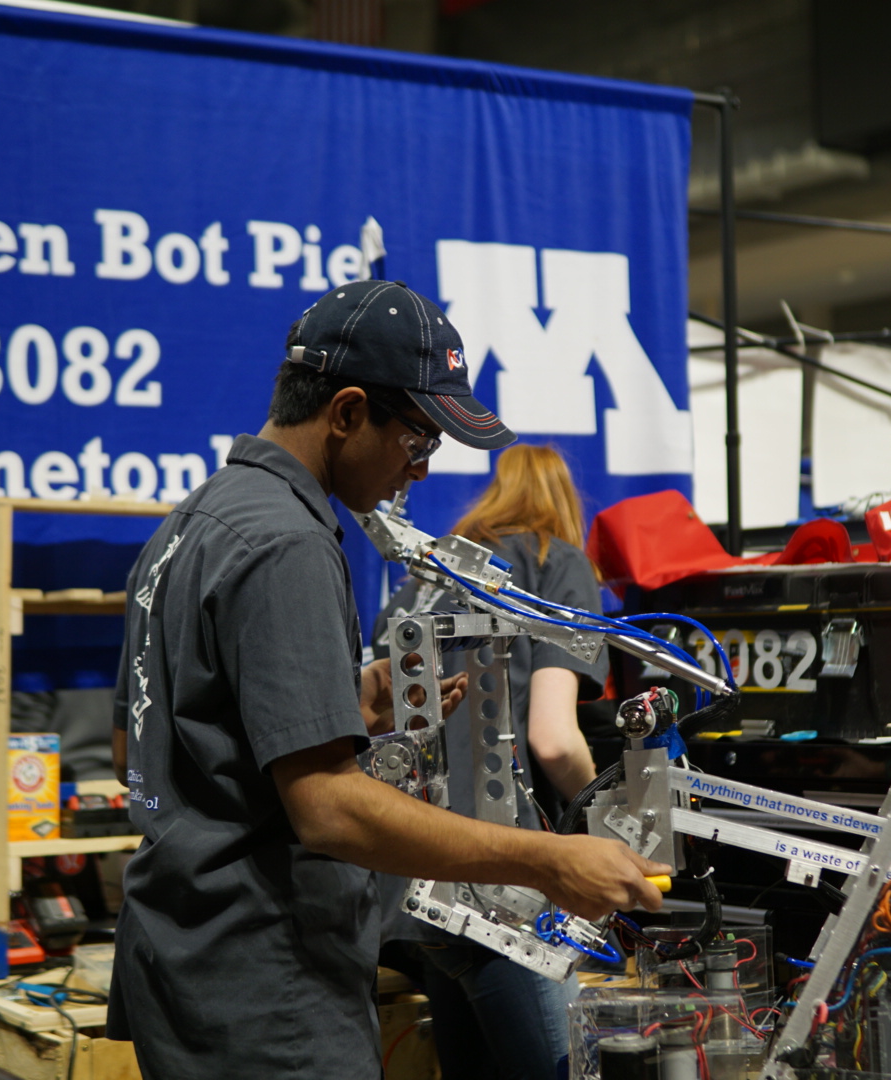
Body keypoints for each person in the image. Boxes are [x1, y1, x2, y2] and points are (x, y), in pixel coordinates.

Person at [107, 280, 668, 1080]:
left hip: (184, 959)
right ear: (345, 413)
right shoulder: (287, 542)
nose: (420, 470)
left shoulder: (189, 525)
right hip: (269, 985)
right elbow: (329, 812)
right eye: (417, 440)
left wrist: (337, 709)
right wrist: (547, 859)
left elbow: (143, 740)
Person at [372, 443, 606, 1080]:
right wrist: (608, 835)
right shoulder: (557, 562)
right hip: (500, 886)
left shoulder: (423, 580)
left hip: (408, 882)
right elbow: (554, 739)